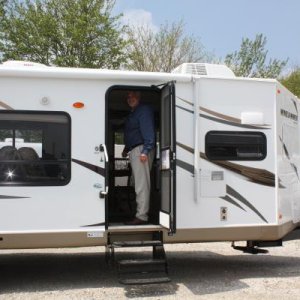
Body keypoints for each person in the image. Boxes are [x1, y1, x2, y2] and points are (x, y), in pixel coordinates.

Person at [122, 91, 155, 225]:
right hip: (135, 149)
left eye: (133, 96)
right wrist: (126, 148)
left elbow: (148, 132)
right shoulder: (134, 112)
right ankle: (140, 213)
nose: (130, 98)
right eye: (128, 97)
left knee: (141, 185)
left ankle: (142, 216)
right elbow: (133, 134)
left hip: (141, 149)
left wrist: (145, 151)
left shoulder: (143, 110)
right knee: (137, 184)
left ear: (139, 97)